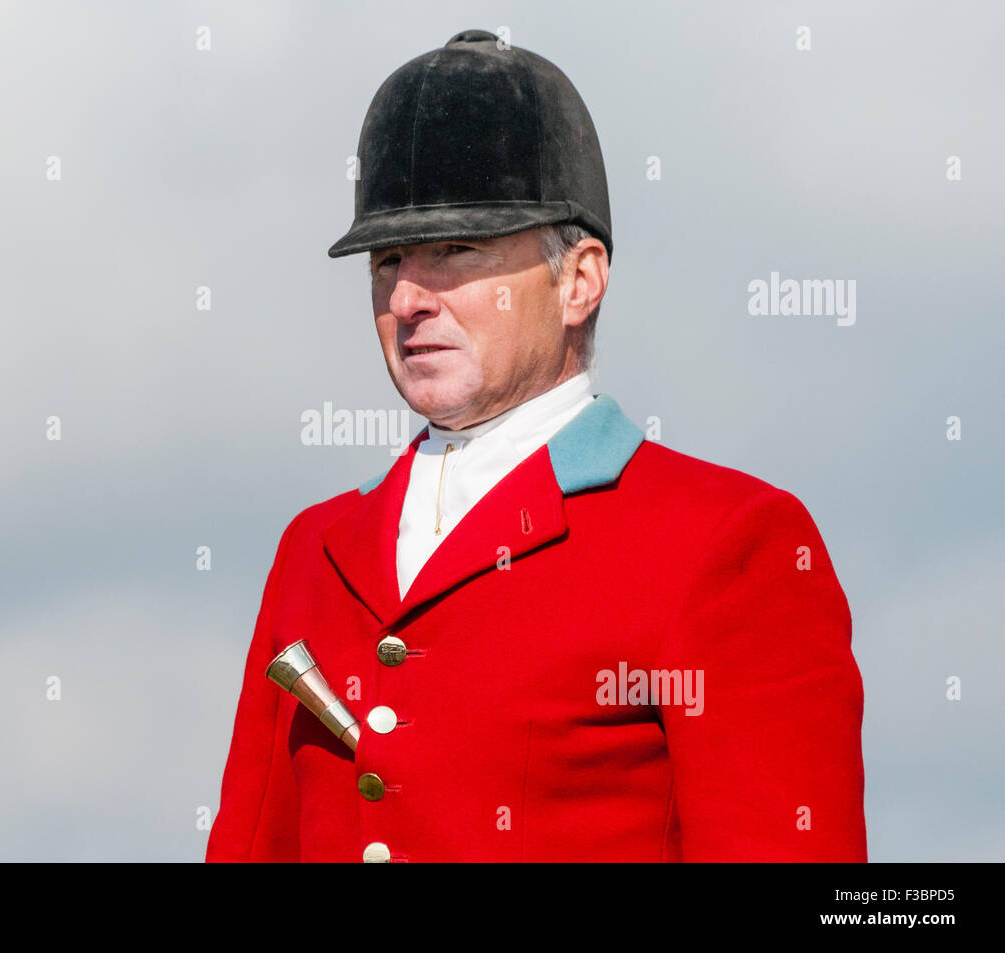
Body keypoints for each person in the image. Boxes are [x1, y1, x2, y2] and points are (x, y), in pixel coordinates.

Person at [206, 29, 866, 862]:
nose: (407, 294)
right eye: (388, 259)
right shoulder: (313, 551)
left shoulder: (730, 542)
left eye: (456, 251)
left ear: (579, 279)